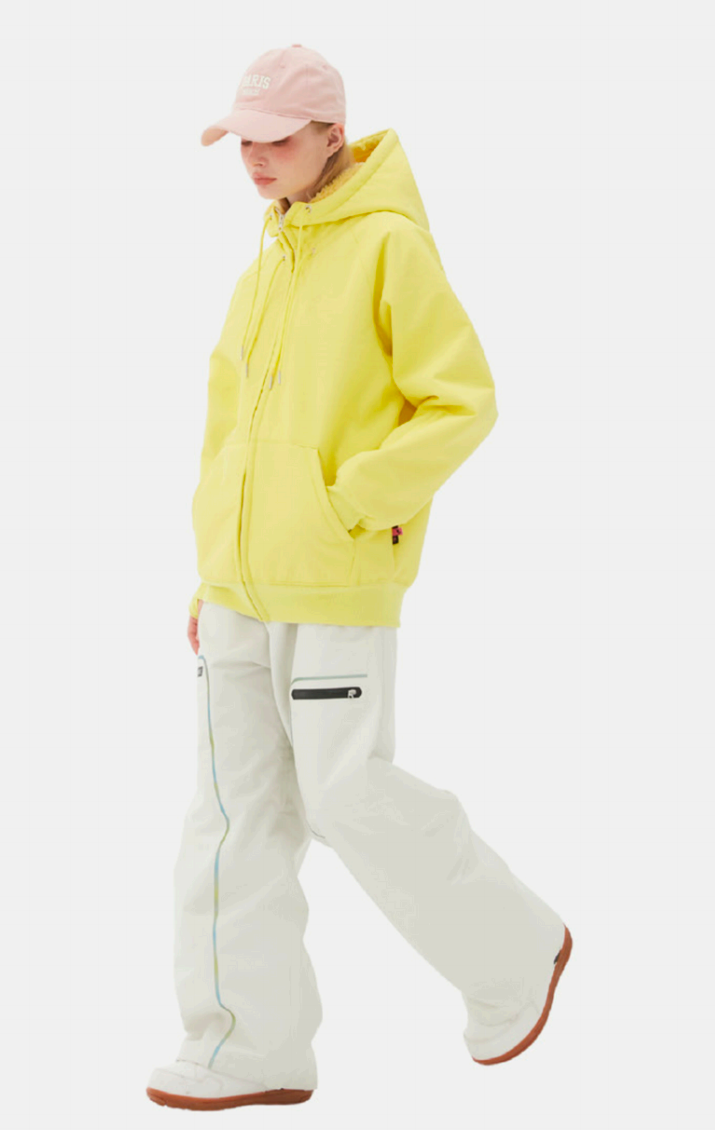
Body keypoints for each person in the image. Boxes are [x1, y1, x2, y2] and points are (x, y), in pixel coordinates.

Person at [146, 44, 572, 1113]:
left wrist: (351, 501)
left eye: (274, 139)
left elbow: (461, 400)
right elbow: (225, 431)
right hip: (237, 591)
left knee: (346, 794)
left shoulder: (388, 246)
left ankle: (516, 951)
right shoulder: (262, 268)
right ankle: (247, 1046)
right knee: (232, 818)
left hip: (335, 578)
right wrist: (210, 567)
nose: (253, 159)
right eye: (241, 141)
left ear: (332, 134)